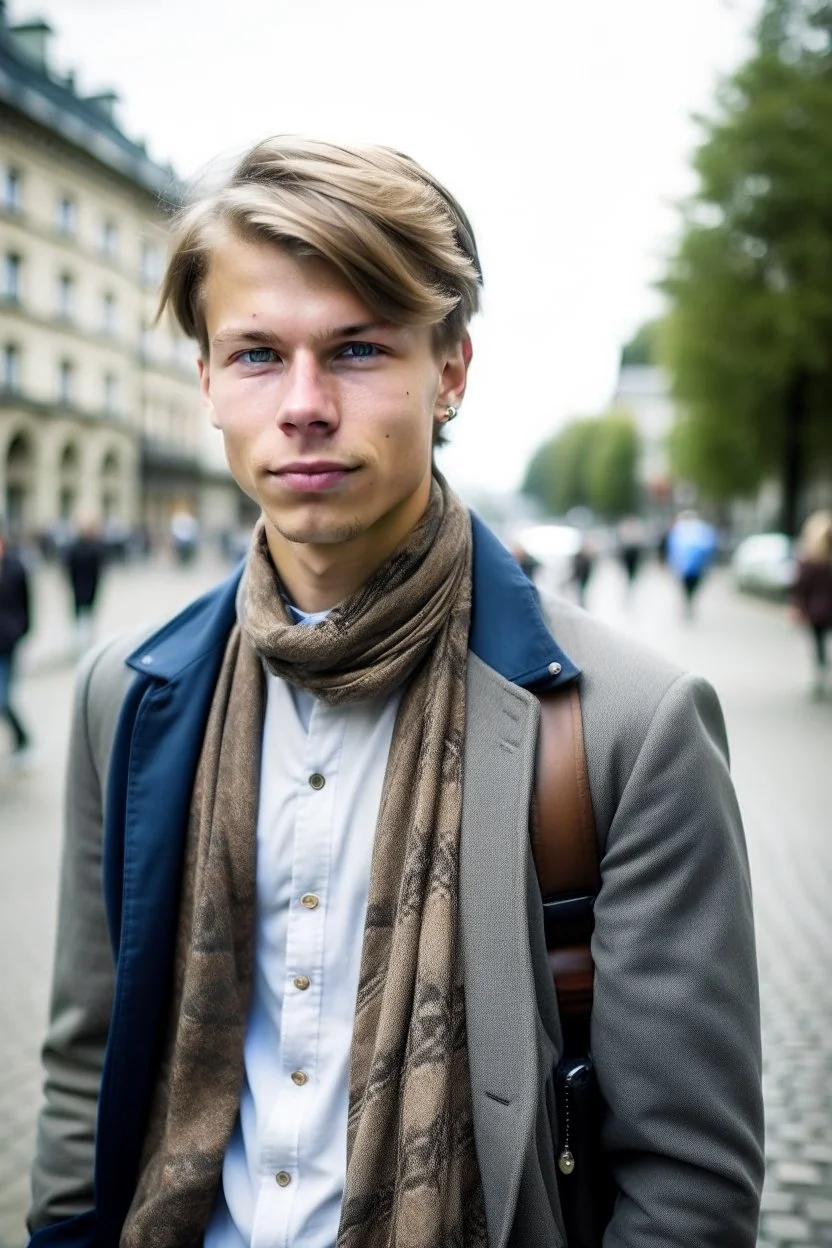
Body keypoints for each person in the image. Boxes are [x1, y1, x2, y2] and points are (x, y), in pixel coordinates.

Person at [28, 137, 764, 1248]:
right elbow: (88, 1073)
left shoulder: (627, 726)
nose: (305, 404)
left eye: (359, 349)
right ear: (208, 384)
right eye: (258, 355)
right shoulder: (123, 698)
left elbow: (687, 1184)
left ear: (450, 371)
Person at [790, 508, 832, 700]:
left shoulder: (810, 560)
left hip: (817, 611)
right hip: (823, 610)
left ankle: (821, 671)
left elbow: (800, 587)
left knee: (819, 644)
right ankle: (822, 668)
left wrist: (797, 606)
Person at [0, 530, 32, 761]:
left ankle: (23, 738)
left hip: (6, 643)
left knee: (2, 698)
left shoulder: (14, 567)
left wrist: (22, 630)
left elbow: (27, 602)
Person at [63, 518, 107, 654]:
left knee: (81, 617)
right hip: (88, 586)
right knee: (87, 616)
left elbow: (67, 567)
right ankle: (84, 642)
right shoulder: (94, 548)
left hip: (79, 587)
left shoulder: (75, 548)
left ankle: (80, 642)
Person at [666, 508, 718, 618]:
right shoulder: (680, 530)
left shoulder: (699, 530)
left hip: (693, 566)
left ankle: (689, 602)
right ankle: (689, 603)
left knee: (689, 587)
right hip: (688, 566)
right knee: (689, 587)